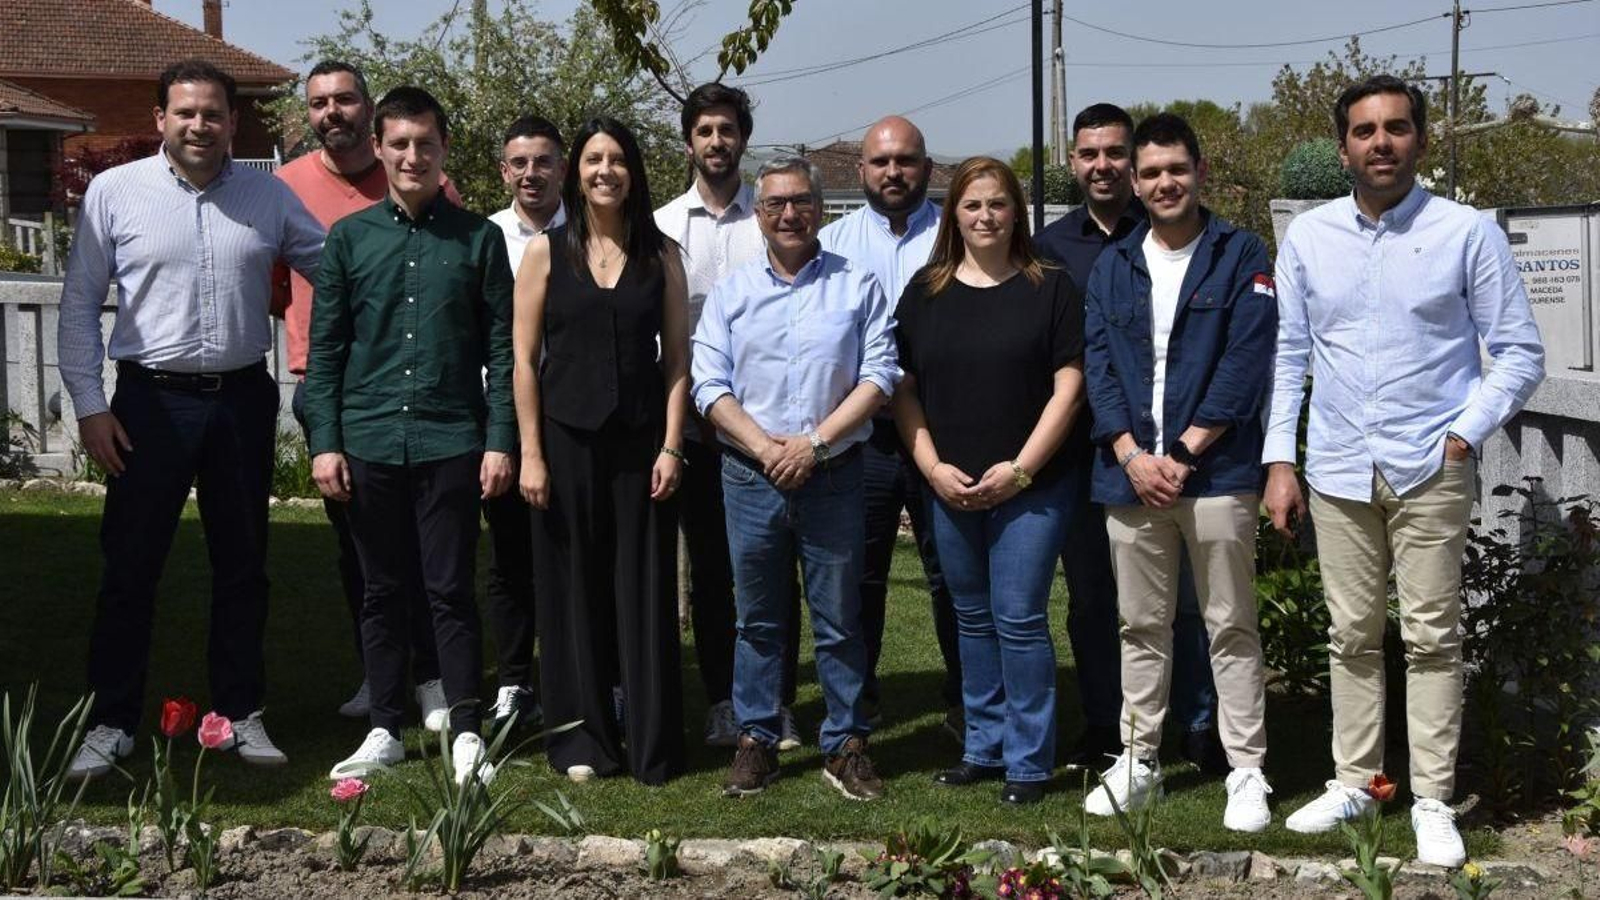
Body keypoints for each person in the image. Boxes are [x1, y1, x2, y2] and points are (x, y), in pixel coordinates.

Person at [1269, 75, 1544, 864]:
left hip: (1431, 464)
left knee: (1431, 638)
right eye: (1364, 131)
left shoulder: (1466, 233)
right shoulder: (1310, 238)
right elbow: (1289, 356)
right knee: (1351, 635)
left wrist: (1463, 434)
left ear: (1420, 139)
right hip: (1338, 466)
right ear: (1343, 147)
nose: (1380, 142)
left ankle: (1431, 798)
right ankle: (1357, 782)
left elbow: (1519, 352)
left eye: (1395, 127)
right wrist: (1280, 459)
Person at [60, 59, 324, 779]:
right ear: (160, 119)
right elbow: (79, 302)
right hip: (148, 404)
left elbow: (332, 268)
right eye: (185, 112)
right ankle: (111, 721)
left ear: (233, 122)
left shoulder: (268, 195)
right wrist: (90, 406)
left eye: (213, 113)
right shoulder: (115, 192)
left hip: (240, 399)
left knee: (242, 566)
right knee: (130, 567)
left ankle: (239, 712)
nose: (199, 125)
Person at [308, 86, 515, 786]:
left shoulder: (479, 240)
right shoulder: (350, 239)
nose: (412, 156)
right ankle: (384, 727)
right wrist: (325, 442)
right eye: (399, 144)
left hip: (452, 439)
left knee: (450, 589)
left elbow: (502, 353)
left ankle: (466, 730)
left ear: (444, 148)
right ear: (379, 148)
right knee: (380, 590)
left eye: (425, 143)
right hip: (368, 441)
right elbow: (326, 350)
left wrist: (499, 440)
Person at [1078, 113, 1276, 832]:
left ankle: (1246, 768)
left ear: (1200, 173)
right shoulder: (1114, 264)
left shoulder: (1240, 252)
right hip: (1131, 478)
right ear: (1135, 183)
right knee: (1140, 625)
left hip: (1216, 474)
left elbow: (1245, 361)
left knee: (1230, 623)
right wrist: (1132, 455)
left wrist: (1185, 452)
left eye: (1177, 170)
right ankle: (1139, 760)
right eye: (1152, 172)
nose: (1165, 183)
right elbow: (1098, 366)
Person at [695, 155, 901, 801]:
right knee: (757, 619)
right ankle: (756, 738)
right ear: (758, 214)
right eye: (775, 204)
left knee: (839, 618)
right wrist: (766, 449)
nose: (789, 214)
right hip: (749, 476)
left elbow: (879, 376)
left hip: (833, 473)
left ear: (820, 208)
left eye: (801, 202)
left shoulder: (857, 285)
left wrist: (812, 445)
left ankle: (845, 745)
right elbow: (709, 383)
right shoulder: (731, 292)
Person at [1034, 103, 1225, 772]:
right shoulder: (1050, 249)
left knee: (1186, 604)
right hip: (1089, 457)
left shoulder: (1175, 230)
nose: (1103, 166)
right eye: (1089, 154)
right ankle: (1107, 727)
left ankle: (1198, 724)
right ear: (1072, 162)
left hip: (1181, 455)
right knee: (1094, 601)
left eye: (1115, 153)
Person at [892, 157, 1085, 805]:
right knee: (971, 619)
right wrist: (932, 469)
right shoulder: (925, 292)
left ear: (1016, 213)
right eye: (972, 205)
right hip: (951, 486)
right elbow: (903, 389)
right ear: (954, 214)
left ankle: (1029, 761)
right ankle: (984, 746)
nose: (985, 216)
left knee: (1020, 617)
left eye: (997, 204)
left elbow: (1069, 389)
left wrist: (1022, 469)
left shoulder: (1050, 288)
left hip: (1033, 486)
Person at [273, 59, 456, 729]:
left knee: (426, 548)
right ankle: (378, 674)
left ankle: (432, 674)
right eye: (319, 102)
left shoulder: (419, 172)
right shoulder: (286, 188)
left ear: (369, 111)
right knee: (362, 550)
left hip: (416, 394)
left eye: (345, 99)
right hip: (327, 392)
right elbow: (275, 286)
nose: (332, 112)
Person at [514, 116, 689, 786]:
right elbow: (524, 361)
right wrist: (532, 453)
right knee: (572, 586)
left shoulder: (662, 255)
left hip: (642, 442)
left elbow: (678, 360)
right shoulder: (545, 253)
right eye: (593, 159)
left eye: (617, 159)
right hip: (566, 440)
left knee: (643, 586)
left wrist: (671, 446)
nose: (605, 171)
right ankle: (582, 739)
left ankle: (650, 741)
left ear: (634, 172)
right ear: (575, 172)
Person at [653, 83, 804, 751]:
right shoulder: (661, 226)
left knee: (774, 571)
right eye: (705, 131)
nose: (717, 141)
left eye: (727, 130)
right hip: (694, 429)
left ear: (743, 138)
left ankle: (778, 702)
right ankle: (723, 700)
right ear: (689, 142)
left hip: (767, 432)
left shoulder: (770, 216)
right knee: (713, 572)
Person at [818, 115, 962, 736]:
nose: (893, 172)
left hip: (944, 432)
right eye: (881, 162)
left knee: (951, 574)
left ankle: (967, 704)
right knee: (859, 574)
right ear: (861, 170)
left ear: (927, 168)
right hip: (865, 438)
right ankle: (859, 704)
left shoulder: (956, 235)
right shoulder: (834, 242)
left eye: (905, 160)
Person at [483, 113, 568, 733]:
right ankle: (514, 681)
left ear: (562, 168)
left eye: (543, 161)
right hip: (506, 417)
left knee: (578, 552)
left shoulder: (594, 232)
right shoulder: (485, 237)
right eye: (520, 162)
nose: (531, 173)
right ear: (503, 171)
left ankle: (580, 675)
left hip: (578, 414)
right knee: (510, 557)